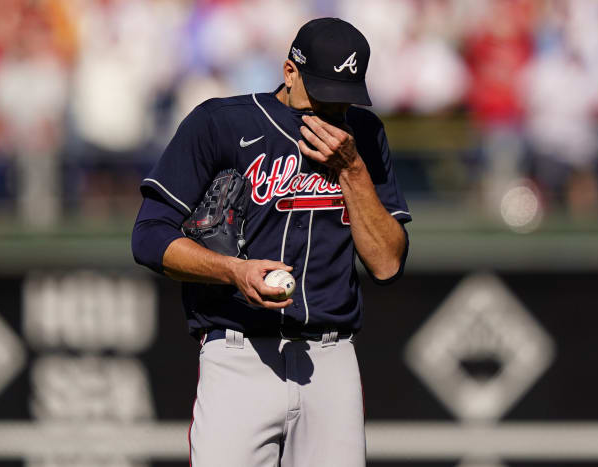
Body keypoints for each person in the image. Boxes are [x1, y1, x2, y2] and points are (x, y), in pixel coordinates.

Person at [132, 17, 411, 467]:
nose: (334, 108)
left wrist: (353, 170)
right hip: (240, 356)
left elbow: (387, 264)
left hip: (330, 359)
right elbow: (148, 236)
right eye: (324, 91)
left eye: (345, 96)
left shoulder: (363, 136)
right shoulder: (220, 123)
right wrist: (233, 271)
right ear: (289, 71)